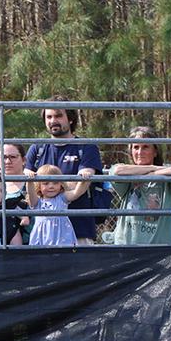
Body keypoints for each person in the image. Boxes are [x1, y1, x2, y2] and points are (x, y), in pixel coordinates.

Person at [24, 96, 109, 244]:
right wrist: (65, 183)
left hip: (79, 231)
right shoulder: (37, 149)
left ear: (70, 119)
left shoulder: (86, 147)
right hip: (44, 236)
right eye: (48, 116)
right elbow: (26, 178)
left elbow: (82, 183)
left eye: (58, 115)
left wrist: (43, 183)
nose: (53, 120)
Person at [108, 125, 171, 245]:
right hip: (126, 247)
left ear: (155, 151)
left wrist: (154, 174)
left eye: (145, 147)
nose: (140, 152)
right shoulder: (127, 178)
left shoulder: (167, 181)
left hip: (160, 249)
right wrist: (152, 168)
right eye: (136, 147)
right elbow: (116, 171)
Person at [26, 164, 92, 246]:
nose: (51, 186)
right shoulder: (38, 202)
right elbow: (31, 192)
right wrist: (30, 181)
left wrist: (84, 180)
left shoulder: (62, 198)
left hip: (62, 238)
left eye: (55, 183)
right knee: (40, 256)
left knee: (62, 256)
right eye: (46, 183)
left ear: (61, 184)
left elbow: (76, 193)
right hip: (42, 237)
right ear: (39, 186)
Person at [0, 143, 32, 245]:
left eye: (13, 157)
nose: (7, 161)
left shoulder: (33, 182)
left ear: (24, 160)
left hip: (30, 246)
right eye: (3, 157)